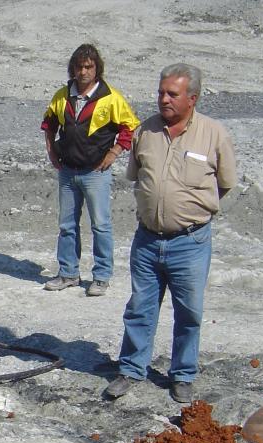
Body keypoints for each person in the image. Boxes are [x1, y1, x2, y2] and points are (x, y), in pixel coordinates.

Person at [103, 63, 237, 403]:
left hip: (189, 243)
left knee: (189, 311)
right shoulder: (145, 132)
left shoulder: (213, 134)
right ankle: (131, 369)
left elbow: (225, 184)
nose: (163, 99)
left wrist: (192, 212)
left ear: (192, 98)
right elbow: (138, 177)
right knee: (139, 309)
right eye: (161, 92)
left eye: (171, 94)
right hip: (147, 240)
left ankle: (182, 375)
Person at [41, 44, 140, 297]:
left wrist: (114, 153)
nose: (83, 72)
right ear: (73, 68)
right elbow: (49, 123)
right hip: (67, 170)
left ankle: (102, 276)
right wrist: (51, 150)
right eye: (79, 66)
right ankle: (68, 273)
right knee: (66, 225)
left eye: (89, 67)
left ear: (97, 69)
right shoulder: (62, 96)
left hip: (96, 173)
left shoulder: (111, 98)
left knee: (101, 225)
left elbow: (129, 127)